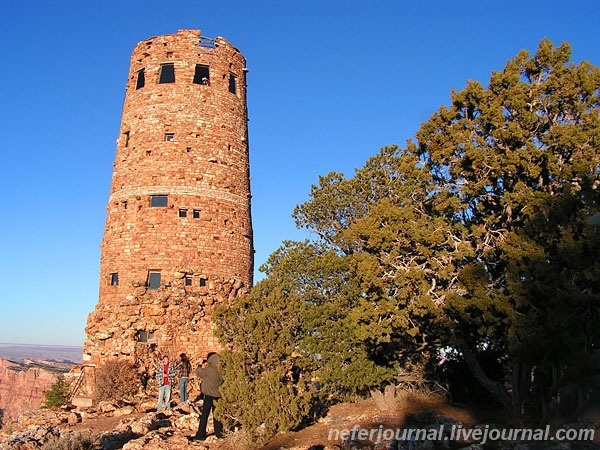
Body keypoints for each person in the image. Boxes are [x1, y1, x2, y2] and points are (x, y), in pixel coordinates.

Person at [191, 352, 224, 440]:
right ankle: (219, 433)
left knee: (204, 415)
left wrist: (200, 364)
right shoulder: (220, 370)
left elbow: (198, 372)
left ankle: (200, 435)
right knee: (217, 415)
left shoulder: (208, 369)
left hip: (208, 395)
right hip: (218, 395)